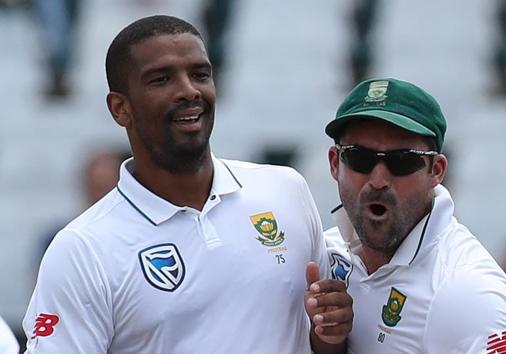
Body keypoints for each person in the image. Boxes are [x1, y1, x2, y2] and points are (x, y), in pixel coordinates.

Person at [22, 15, 351, 354]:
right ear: (120, 108)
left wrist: (332, 333)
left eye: (200, 74)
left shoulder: (285, 190)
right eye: (161, 79)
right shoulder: (81, 250)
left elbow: (323, 339)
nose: (189, 90)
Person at [322, 78, 506, 353]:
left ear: (437, 171)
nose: (378, 179)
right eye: (360, 157)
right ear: (336, 163)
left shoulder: (471, 293)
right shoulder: (322, 255)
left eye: (402, 161)